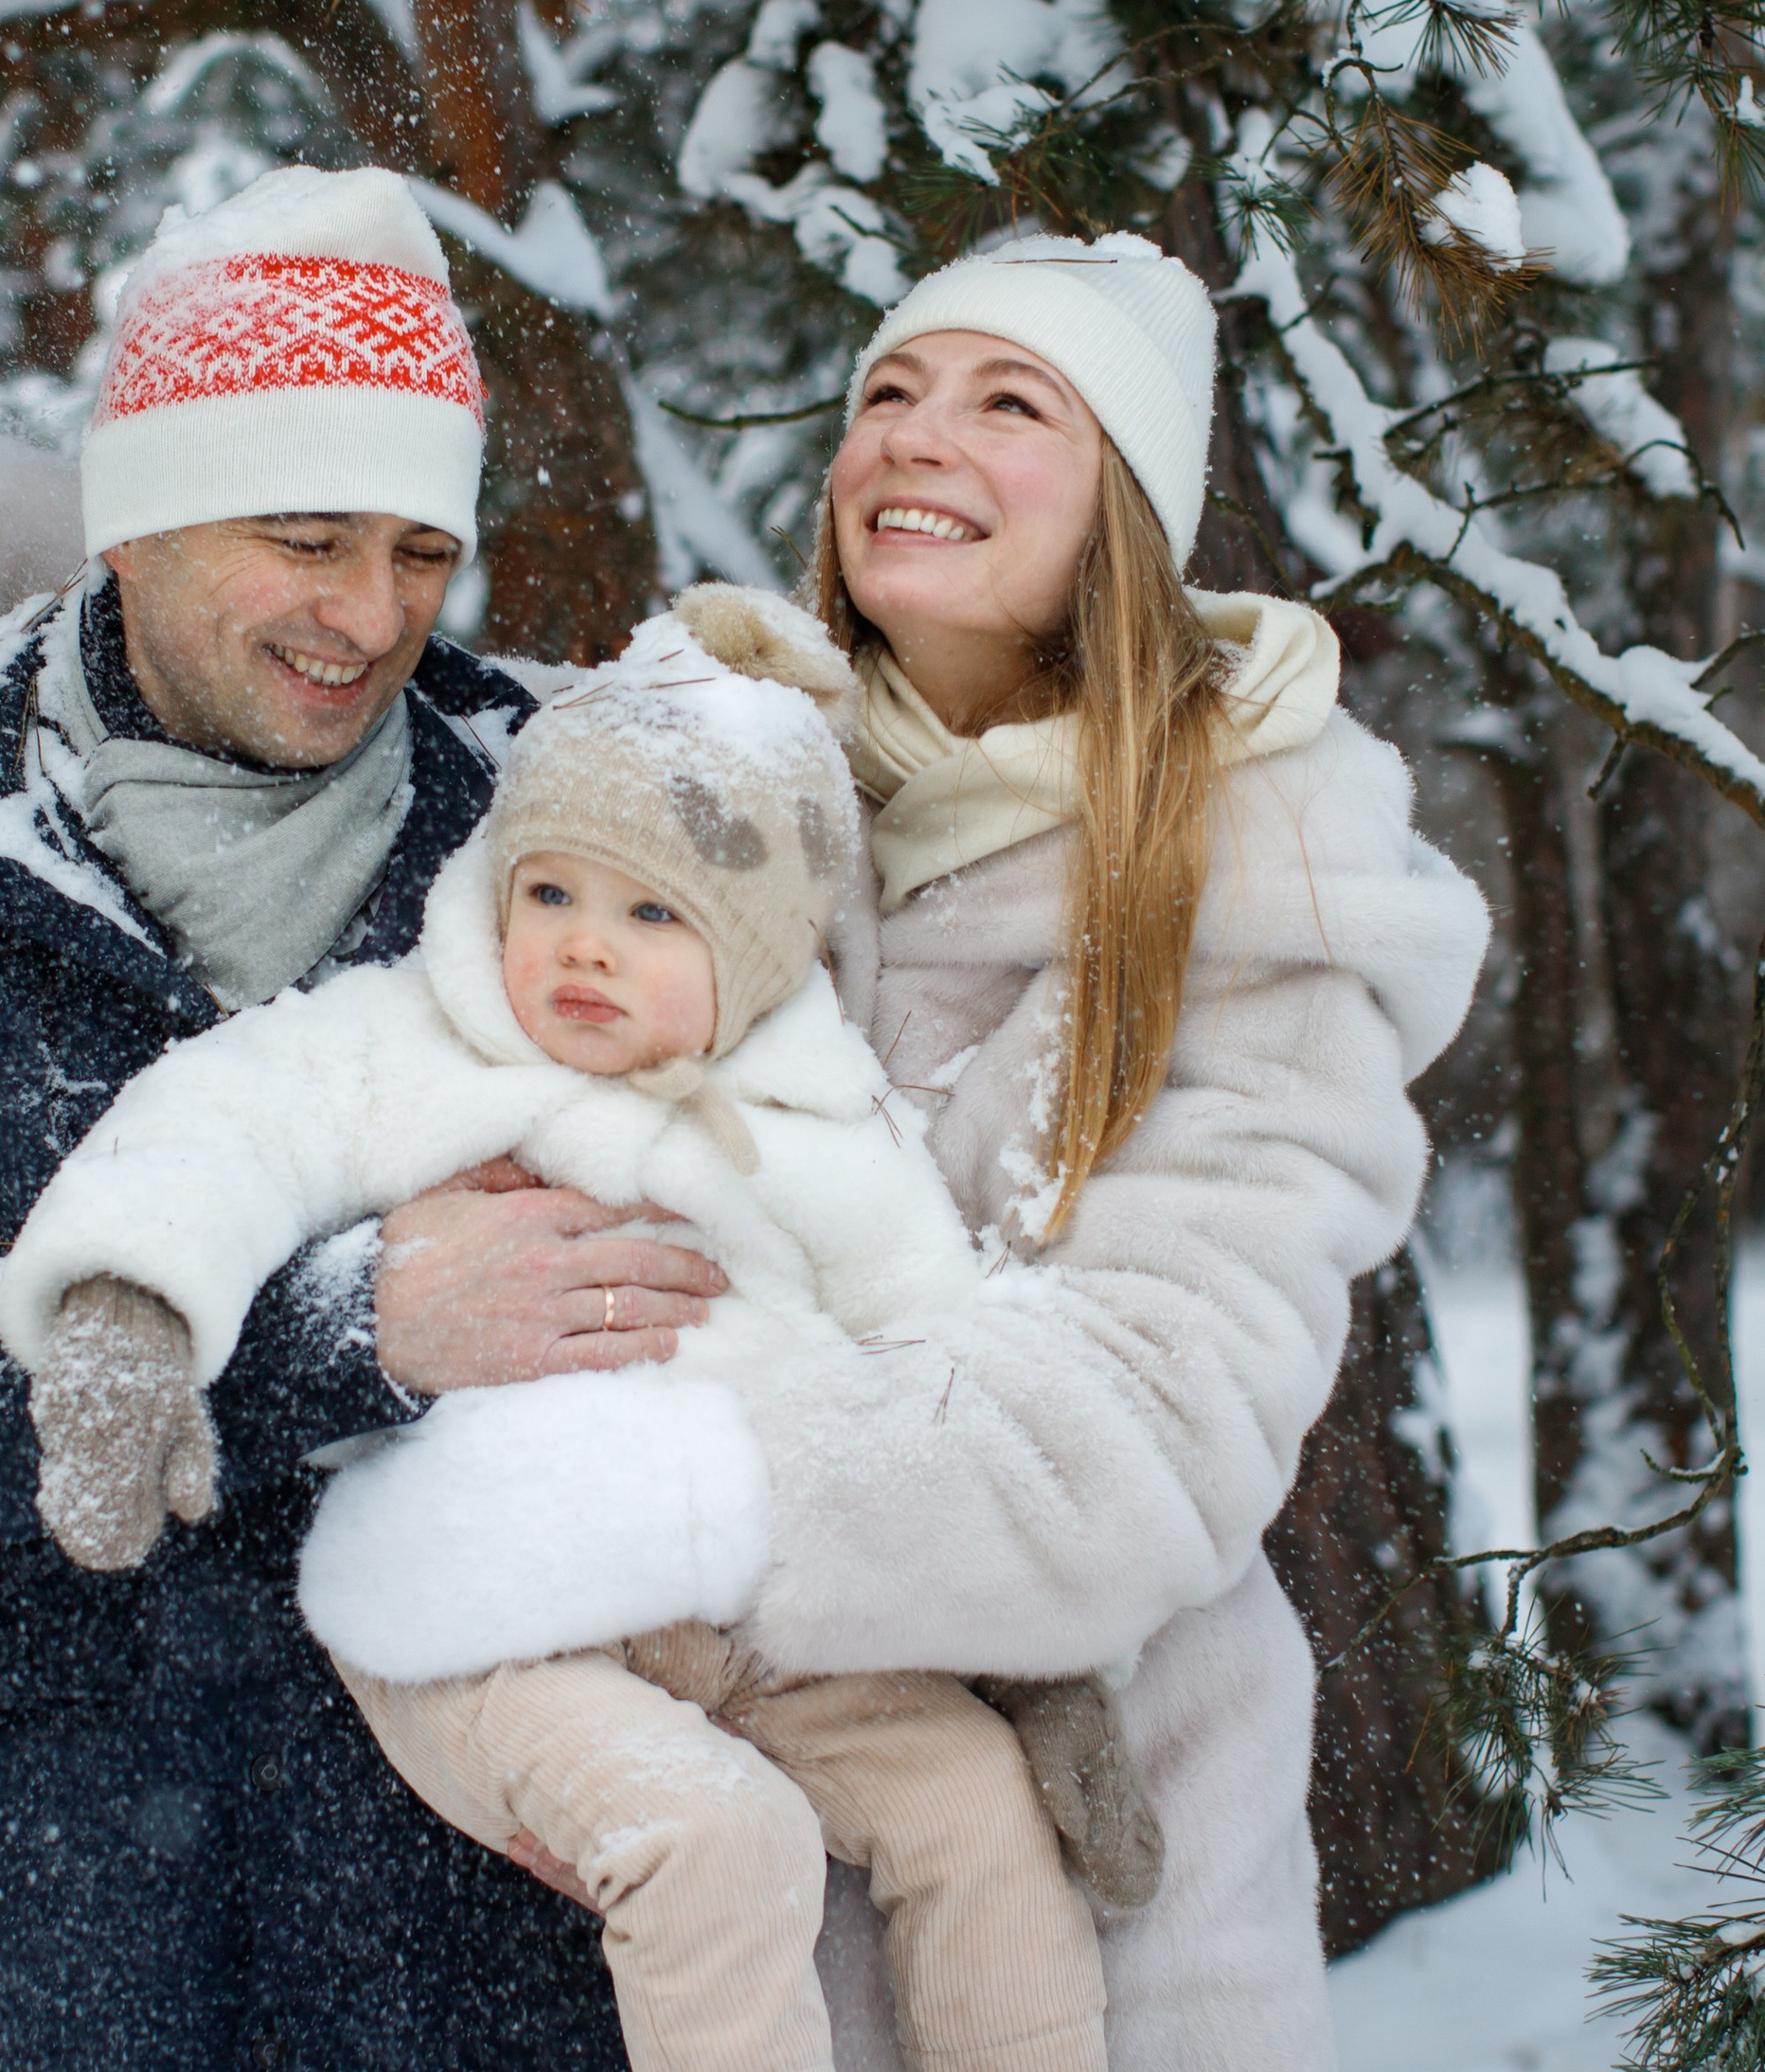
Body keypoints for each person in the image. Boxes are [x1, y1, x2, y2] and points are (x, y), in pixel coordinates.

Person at [379, 232, 1491, 2068]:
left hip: (1097, 1883)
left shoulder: (1260, 876)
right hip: (712, 1891)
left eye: (1008, 404)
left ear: (1125, 502)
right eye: (887, 391)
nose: (915, 434)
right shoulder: (713, 779)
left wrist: (643, 1502)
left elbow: (1147, 1423)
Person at [0, 165, 720, 2069]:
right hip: (14, 1967)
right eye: (306, 537)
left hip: (467, 1970)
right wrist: (344, 1331)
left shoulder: (565, 840)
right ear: (143, 518)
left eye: (419, 550)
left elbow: (759, 1266)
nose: (368, 615)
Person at [0, 581, 1149, 2072]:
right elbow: (221, 1128)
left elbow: (943, 1382)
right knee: (718, 1838)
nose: (584, 949)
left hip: (757, 1624)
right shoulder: (420, 1037)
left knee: (978, 1814)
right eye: (552, 894)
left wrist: (1040, 1662)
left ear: (760, 952)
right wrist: (130, 1310)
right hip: (485, 1615)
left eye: (652, 914)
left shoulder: (824, 1122)